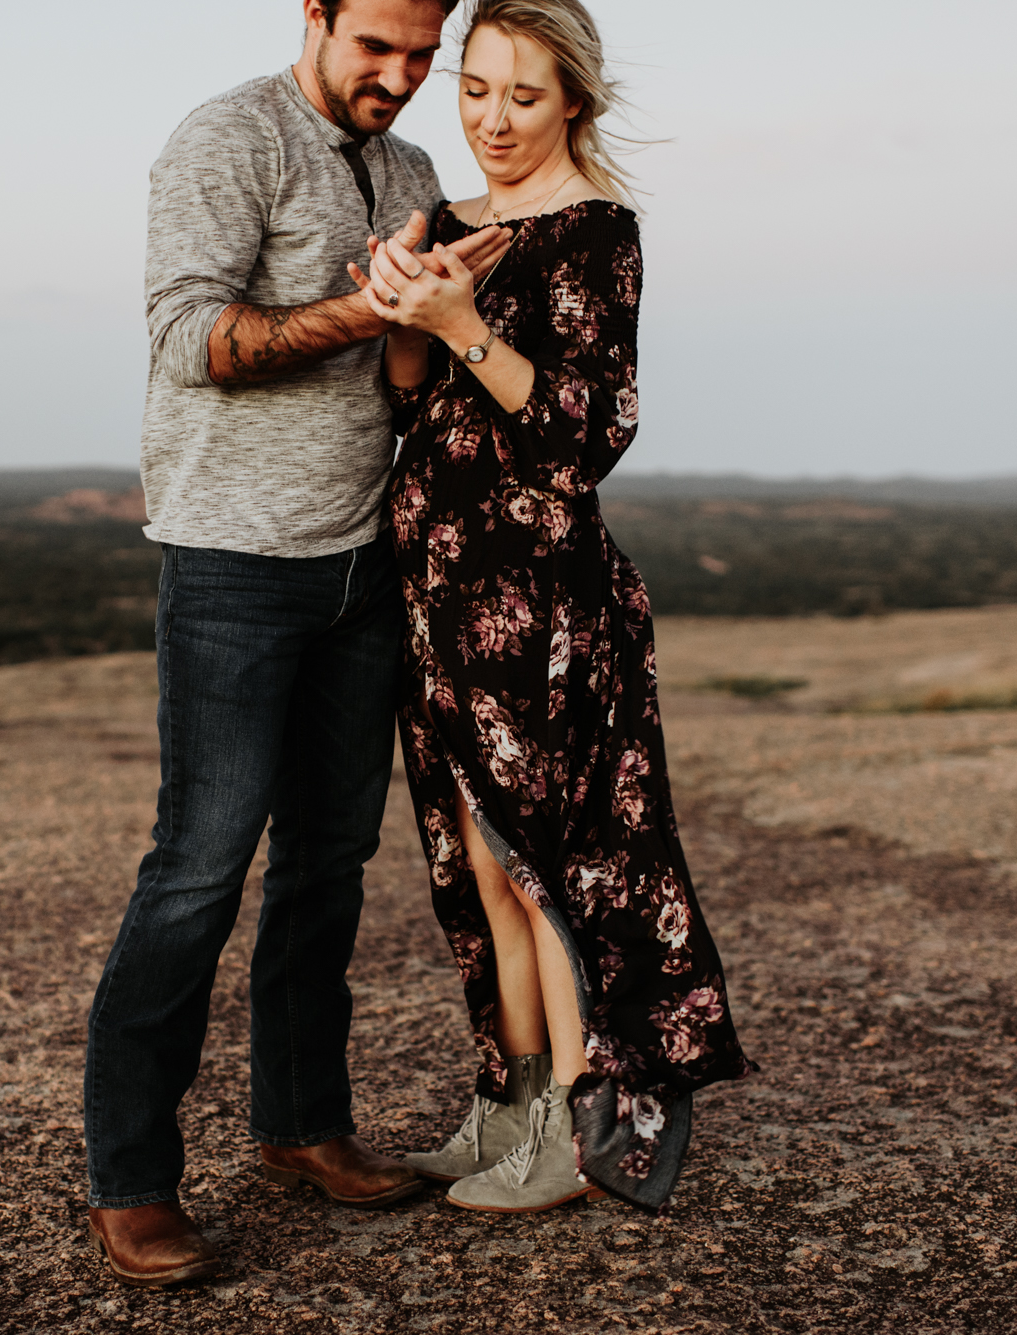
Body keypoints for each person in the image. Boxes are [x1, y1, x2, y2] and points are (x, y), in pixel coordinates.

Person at [82, 0, 515, 1290]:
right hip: (231, 566)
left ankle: (299, 1125)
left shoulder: (414, 172)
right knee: (198, 871)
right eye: (373, 43)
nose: (398, 74)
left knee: (328, 862)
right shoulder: (228, 139)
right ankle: (131, 1181)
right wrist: (360, 306)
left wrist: (428, 322)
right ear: (314, 16)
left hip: (365, 566)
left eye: (420, 52)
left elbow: (400, 377)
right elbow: (190, 344)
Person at [353, 0, 758, 1215]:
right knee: (474, 865)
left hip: (536, 600)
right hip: (435, 585)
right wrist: (403, 316)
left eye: (521, 98)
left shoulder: (596, 232)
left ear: (573, 99)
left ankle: (580, 1132)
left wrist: (463, 323)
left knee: (545, 867)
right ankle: (510, 1105)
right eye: (472, 90)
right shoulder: (445, 219)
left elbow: (584, 435)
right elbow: (407, 405)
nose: (490, 119)